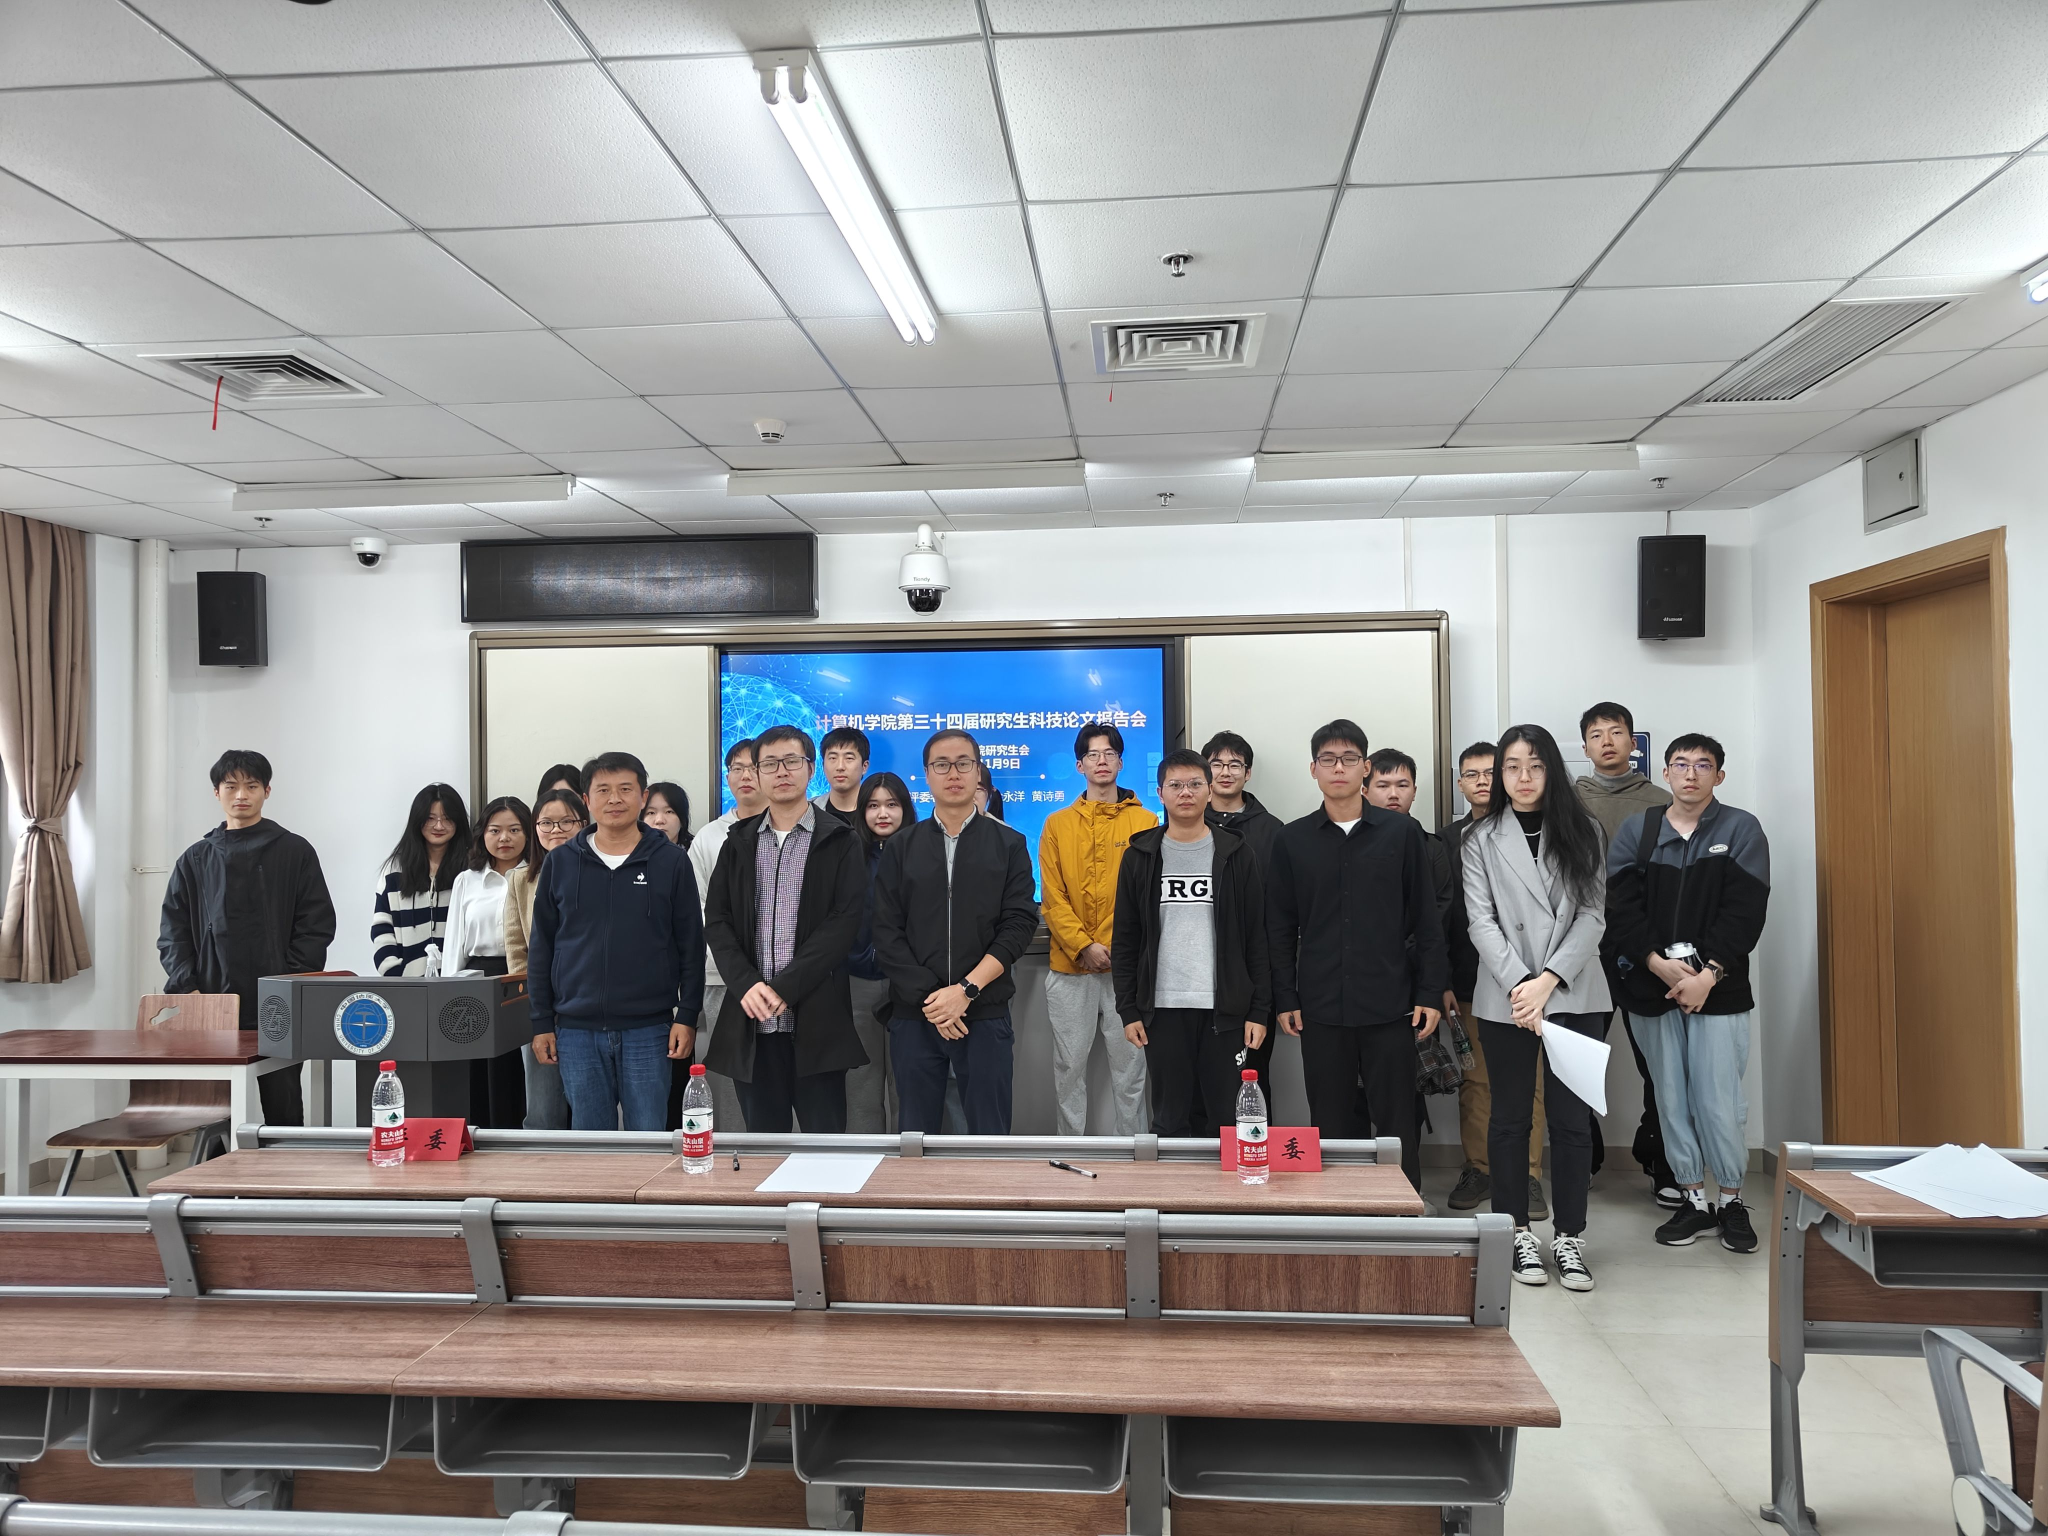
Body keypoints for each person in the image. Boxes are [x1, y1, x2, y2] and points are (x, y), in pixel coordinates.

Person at [1607, 734, 1771, 1255]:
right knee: (1669, 1097)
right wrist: (1656, 963)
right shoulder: (1639, 830)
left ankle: (1732, 1201)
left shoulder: (1741, 829)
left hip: (1718, 991)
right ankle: (1693, 1198)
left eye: (1703, 765)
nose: (1691, 773)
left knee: (1719, 1100)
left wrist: (1708, 975)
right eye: (1680, 764)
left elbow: (1745, 912)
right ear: (1665, 773)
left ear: (1719, 776)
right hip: (1651, 988)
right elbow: (1620, 908)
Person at [1462, 724, 1611, 1292]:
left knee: (1572, 1121)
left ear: (1552, 770)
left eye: (1535, 766)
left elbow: (1593, 915)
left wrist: (1546, 981)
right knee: (1509, 1118)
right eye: (1512, 767)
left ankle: (1569, 1237)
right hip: (1507, 997)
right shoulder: (1479, 838)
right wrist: (1522, 984)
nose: (1523, 778)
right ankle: (1516, 1232)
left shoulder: (1584, 830)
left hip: (1573, 991)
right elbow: (1481, 921)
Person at [1267, 720, 1445, 1194]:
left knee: (1397, 1118)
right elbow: (1279, 927)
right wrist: (1285, 995)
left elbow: (1426, 919)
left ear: (1365, 768)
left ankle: (1403, 1208)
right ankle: (1338, 1209)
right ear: (1313, 769)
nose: (1338, 768)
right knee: (1330, 1118)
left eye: (1349, 759)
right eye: (1328, 759)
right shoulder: (1292, 840)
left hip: (1390, 1002)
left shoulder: (1401, 833)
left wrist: (1430, 990)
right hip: (1321, 1004)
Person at [872, 730, 1037, 1135]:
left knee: (989, 1136)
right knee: (916, 1137)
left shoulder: (1009, 843)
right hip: (916, 1015)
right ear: (926, 775)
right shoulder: (901, 847)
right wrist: (935, 1000)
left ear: (978, 772)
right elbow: (886, 930)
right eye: (941, 765)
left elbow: (1018, 925)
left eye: (964, 763)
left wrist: (965, 991)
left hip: (984, 1012)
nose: (953, 773)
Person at [703, 726, 868, 1132]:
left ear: (810, 769)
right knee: (763, 1145)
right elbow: (718, 920)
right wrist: (747, 984)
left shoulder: (840, 839)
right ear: (758, 774)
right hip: (752, 1017)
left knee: (824, 1144)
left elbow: (844, 923)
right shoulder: (737, 841)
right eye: (770, 764)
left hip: (817, 1020)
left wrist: (784, 988)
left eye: (792, 761)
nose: (781, 771)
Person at [159, 749, 336, 1126]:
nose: (241, 795)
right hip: (212, 998)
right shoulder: (196, 858)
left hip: (279, 998)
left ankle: (285, 1166)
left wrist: (292, 978)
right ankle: (216, 1166)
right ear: (216, 793)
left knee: (283, 1102)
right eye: (231, 786)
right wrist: (188, 987)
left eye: (252, 786)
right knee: (211, 1108)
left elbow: (316, 923)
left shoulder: (294, 850)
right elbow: (173, 931)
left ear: (267, 791)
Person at [527, 751, 702, 1132]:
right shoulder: (561, 863)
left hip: (650, 1028)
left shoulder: (671, 861)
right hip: (576, 1031)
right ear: (586, 800)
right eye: (603, 790)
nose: (615, 799)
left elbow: (690, 944)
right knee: (590, 1145)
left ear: (643, 796)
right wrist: (541, 1021)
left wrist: (687, 1015)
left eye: (625, 789)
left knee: (648, 1137)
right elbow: (542, 947)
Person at [1114, 750, 1270, 1136]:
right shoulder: (1140, 856)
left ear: (1209, 790)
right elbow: (1126, 940)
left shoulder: (1237, 854)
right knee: (1169, 1119)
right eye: (1176, 785)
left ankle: (1227, 1180)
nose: (1186, 792)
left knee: (1226, 1120)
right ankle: (1173, 1181)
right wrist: (1128, 1010)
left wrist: (1259, 1010)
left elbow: (1256, 937)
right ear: (1160, 793)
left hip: (1225, 1009)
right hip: (1162, 1010)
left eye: (1195, 784)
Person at [1575, 702, 1680, 1208]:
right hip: (1581, 948)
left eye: (1616, 732)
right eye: (1597, 734)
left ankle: (1661, 1160)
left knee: (1658, 1063)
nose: (1607, 741)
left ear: (1633, 743)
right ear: (1585, 747)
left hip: (1645, 947)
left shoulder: (1662, 801)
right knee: (1579, 1058)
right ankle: (1583, 1157)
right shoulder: (1568, 801)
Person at [1442, 743, 1548, 1216]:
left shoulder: (1538, 830)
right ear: (1460, 783)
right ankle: (1479, 1168)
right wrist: (1442, 980)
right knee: (1476, 1081)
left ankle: (1528, 1175)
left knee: (1531, 1082)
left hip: (1535, 982)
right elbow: (1444, 916)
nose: (1483, 781)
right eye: (1472, 774)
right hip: (1471, 979)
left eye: (1491, 771)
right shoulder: (1446, 840)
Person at [1039, 722, 1157, 1136]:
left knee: (1132, 1070)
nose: (1101, 761)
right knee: (1069, 1068)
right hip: (1070, 967)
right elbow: (1052, 896)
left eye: (1109, 754)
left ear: (1121, 763)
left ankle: (1135, 1151)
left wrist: (1112, 947)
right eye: (1092, 754)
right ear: (1079, 765)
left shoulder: (1146, 821)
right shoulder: (1057, 824)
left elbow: (1145, 895)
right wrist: (1084, 945)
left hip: (1128, 970)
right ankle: (1071, 1150)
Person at [682, 740, 763, 1134]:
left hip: (783, 979)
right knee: (729, 1076)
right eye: (736, 768)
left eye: (753, 767)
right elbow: (698, 907)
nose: (745, 776)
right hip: (722, 977)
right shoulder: (710, 837)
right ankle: (734, 1149)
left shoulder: (797, 831)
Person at [1202, 729, 1282, 1122]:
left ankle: (1253, 1150)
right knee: (1199, 1082)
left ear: (1248, 773)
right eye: (1216, 764)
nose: (1225, 772)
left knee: (1253, 1075)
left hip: (1253, 970)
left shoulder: (1272, 830)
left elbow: (1281, 906)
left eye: (1235, 765)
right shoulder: (1184, 823)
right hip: (1196, 972)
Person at [442, 796, 533, 1128]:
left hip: (523, 977)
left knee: (521, 1067)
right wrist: (449, 993)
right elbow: (454, 941)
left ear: (528, 834)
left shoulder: (539, 874)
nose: (504, 838)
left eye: (514, 830)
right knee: (480, 1067)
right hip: (477, 980)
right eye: (495, 830)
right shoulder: (468, 880)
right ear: (482, 834)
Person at [506, 787, 583, 1130]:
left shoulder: (600, 873)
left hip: (584, 1004)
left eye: (566, 821)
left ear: (584, 823)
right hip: (539, 1007)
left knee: (589, 1107)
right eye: (546, 823)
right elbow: (516, 947)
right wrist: (537, 1002)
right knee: (543, 1109)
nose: (556, 830)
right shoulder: (520, 879)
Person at [845, 771, 917, 1132]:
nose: (883, 813)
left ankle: (909, 1161)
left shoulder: (922, 853)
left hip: (910, 985)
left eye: (891, 804)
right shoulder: (847, 855)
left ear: (905, 808)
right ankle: (864, 1158)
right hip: (857, 981)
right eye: (873, 805)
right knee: (861, 1082)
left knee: (909, 1081)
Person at [372, 784, 470, 976]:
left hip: (460, 985)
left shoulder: (470, 870)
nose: (439, 826)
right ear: (417, 820)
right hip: (406, 985)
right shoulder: (395, 871)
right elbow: (382, 928)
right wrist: (395, 975)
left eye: (447, 818)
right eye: (430, 818)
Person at [814, 726, 869, 829]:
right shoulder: (809, 812)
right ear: (823, 765)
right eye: (833, 758)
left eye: (849, 758)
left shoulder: (880, 813)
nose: (840, 767)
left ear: (864, 767)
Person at [642, 781, 691, 849]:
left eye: (669, 812)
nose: (659, 820)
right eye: (651, 813)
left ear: (682, 819)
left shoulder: (695, 852)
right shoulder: (630, 853)